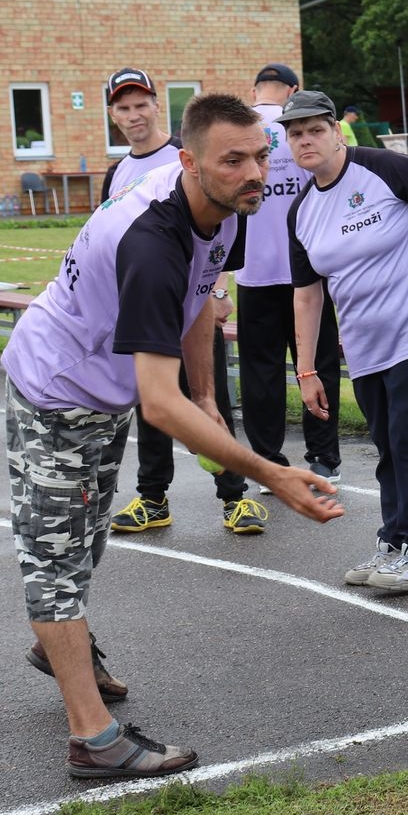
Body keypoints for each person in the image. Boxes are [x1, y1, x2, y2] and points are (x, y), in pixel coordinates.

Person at [4, 92, 344, 778]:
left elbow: (205, 288)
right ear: (189, 161)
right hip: (55, 390)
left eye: (260, 156)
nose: (254, 173)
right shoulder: (150, 240)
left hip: (104, 391)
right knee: (55, 564)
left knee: (87, 537)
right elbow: (159, 405)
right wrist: (269, 471)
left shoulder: (227, 205)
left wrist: (209, 395)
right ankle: (93, 741)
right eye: (233, 160)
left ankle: (58, 648)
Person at [279, 89, 408, 593]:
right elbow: (307, 296)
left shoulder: (382, 169)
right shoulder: (302, 210)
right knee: (388, 448)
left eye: (314, 130)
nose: (306, 140)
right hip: (365, 348)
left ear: (336, 131)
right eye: (295, 134)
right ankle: (395, 541)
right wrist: (306, 370)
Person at [98, 68, 265, 537]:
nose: (134, 115)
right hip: (148, 304)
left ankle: (236, 496)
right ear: (113, 115)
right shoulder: (118, 172)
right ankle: (153, 497)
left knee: (209, 397)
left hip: (194, 302)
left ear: (156, 106)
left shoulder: (191, 156)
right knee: (153, 402)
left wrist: (216, 291)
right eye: (123, 108)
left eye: (141, 105)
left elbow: (216, 231)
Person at [234, 62, 344, 490]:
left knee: (260, 371)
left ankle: (267, 462)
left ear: (255, 90)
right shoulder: (302, 131)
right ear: (292, 90)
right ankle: (323, 457)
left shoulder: (241, 129)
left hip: (253, 271)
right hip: (308, 270)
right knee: (317, 364)